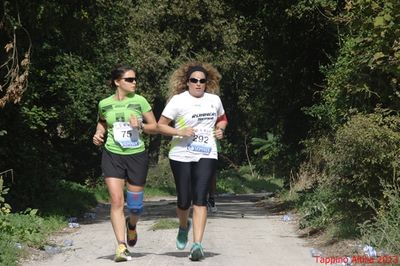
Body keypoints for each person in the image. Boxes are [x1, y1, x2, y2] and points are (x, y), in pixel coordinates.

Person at [157, 62, 227, 261]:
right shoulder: (178, 101)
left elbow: (222, 119)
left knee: (200, 198)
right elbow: (161, 126)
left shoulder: (214, 100)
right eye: (194, 80)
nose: (198, 84)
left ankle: (197, 244)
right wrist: (180, 131)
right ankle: (182, 226)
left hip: (207, 152)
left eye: (202, 81)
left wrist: (221, 129)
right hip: (181, 154)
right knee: (183, 200)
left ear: (207, 83)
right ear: (187, 82)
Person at [92, 65, 157, 262]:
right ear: (117, 82)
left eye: (135, 79)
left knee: (135, 206)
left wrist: (142, 126)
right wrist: (98, 133)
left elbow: (155, 127)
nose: (134, 82)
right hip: (113, 154)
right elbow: (103, 121)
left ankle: (132, 225)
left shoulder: (140, 101)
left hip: (136, 155)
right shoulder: (104, 103)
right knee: (117, 201)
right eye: (129, 79)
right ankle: (121, 246)